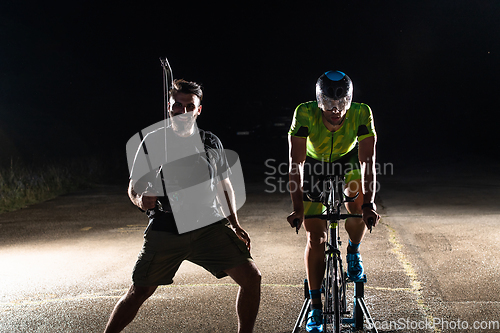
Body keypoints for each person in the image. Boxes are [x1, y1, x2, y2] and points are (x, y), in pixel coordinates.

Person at [104, 79, 261, 333]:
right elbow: (133, 186)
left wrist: (236, 224)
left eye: (190, 106)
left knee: (252, 277)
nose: (183, 111)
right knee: (138, 291)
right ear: (169, 106)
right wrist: (141, 200)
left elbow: (225, 186)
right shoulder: (153, 142)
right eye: (178, 105)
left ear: (199, 110)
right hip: (166, 227)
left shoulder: (211, 142)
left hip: (208, 225)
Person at [286, 70, 380, 333]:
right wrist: (297, 208)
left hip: (347, 161)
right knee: (315, 237)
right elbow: (297, 163)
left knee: (357, 204)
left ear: (349, 101)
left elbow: (367, 161)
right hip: (315, 165)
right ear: (319, 101)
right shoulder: (304, 113)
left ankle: (353, 251)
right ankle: (316, 307)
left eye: (341, 105)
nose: (335, 111)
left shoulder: (362, 112)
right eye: (328, 105)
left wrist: (369, 204)